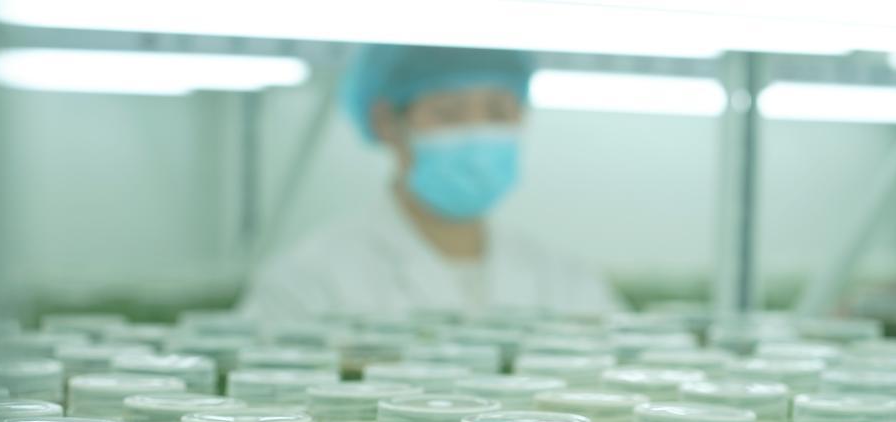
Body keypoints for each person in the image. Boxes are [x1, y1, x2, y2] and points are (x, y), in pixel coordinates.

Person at [240, 44, 622, 320]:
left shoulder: (566, 280)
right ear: (387, 122)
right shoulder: (308, 283)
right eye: (448, 113)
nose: (478, 132)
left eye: (498, 112)